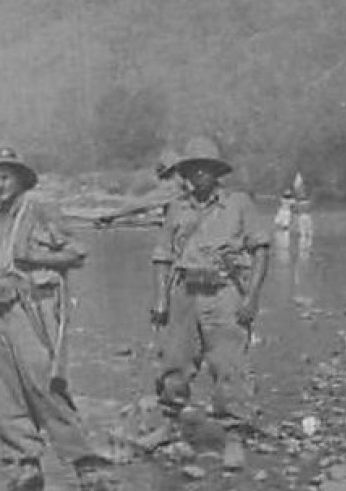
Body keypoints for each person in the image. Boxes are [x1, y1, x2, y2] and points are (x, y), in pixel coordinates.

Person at [0, 148, 111, 491]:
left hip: (30, 309)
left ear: (19, 179)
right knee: (3, 393)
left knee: (44, 385)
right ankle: (25, 462)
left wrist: (34, 258)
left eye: (5, 177)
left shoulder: (39, 209)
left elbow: (77, 253)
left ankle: (84, 466)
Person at [149, 137, 271, 436]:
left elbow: (261, 251)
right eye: (192, 169)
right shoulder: (176, 208)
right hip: (185, 292)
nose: (199, 174)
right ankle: (171, 420)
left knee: (229, 362)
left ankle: (234, 428)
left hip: (224, 292)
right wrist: (161, 298)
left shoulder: (239, 204)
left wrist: (252, 298)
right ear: (185, 173)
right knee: (175, 360)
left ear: (217, 172)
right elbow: (163, 256)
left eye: (205, 168)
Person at [94, 148, 186, 229]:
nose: (160, 180)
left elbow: (146, 203)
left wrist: (113, 216)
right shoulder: (181, 180)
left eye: (161, 173)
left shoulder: (174, 185)